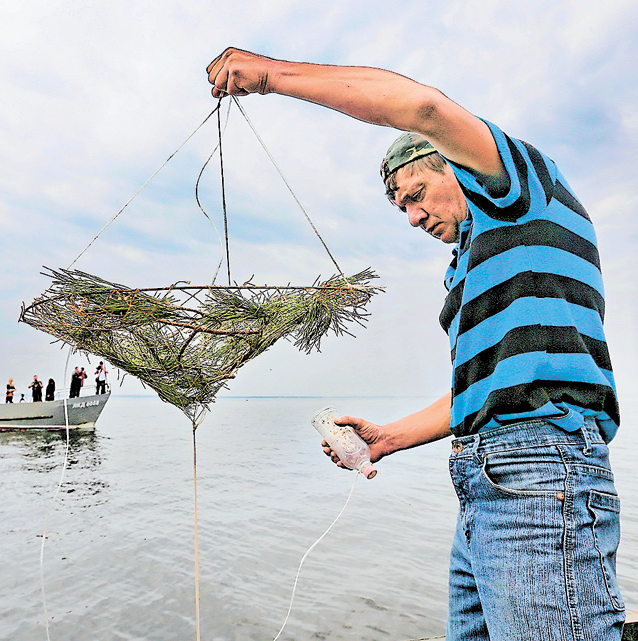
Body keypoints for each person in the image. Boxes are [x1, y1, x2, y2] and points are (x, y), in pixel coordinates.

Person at [207, 48, 623, 641]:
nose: (412, 215)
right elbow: (482, 391)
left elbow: (423, 109)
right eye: (401, 206)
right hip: (486, 484)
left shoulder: (522, 191)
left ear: (457, 167)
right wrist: (389, 439)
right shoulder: (470, 265)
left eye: (417, 193)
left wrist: (272, 77)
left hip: (541, 471)